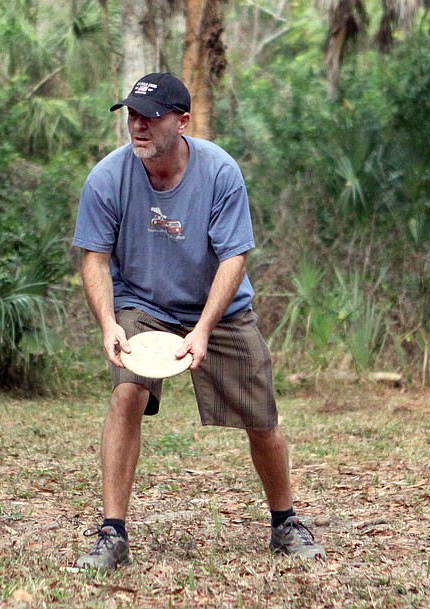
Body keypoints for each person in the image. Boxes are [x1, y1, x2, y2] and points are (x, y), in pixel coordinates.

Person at [71, 73, 326, 570]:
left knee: (262, 418)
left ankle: (285, 522)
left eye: (151, 117)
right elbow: (95, 259)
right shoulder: (106, 177)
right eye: (132, 116)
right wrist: (109, 324)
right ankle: (112, 533)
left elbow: (234, 259)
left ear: (182, 121)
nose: (138, 126)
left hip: (218, 307)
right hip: (143, 304)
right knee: (127, 392)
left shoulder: (220, 172)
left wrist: (204, 330)